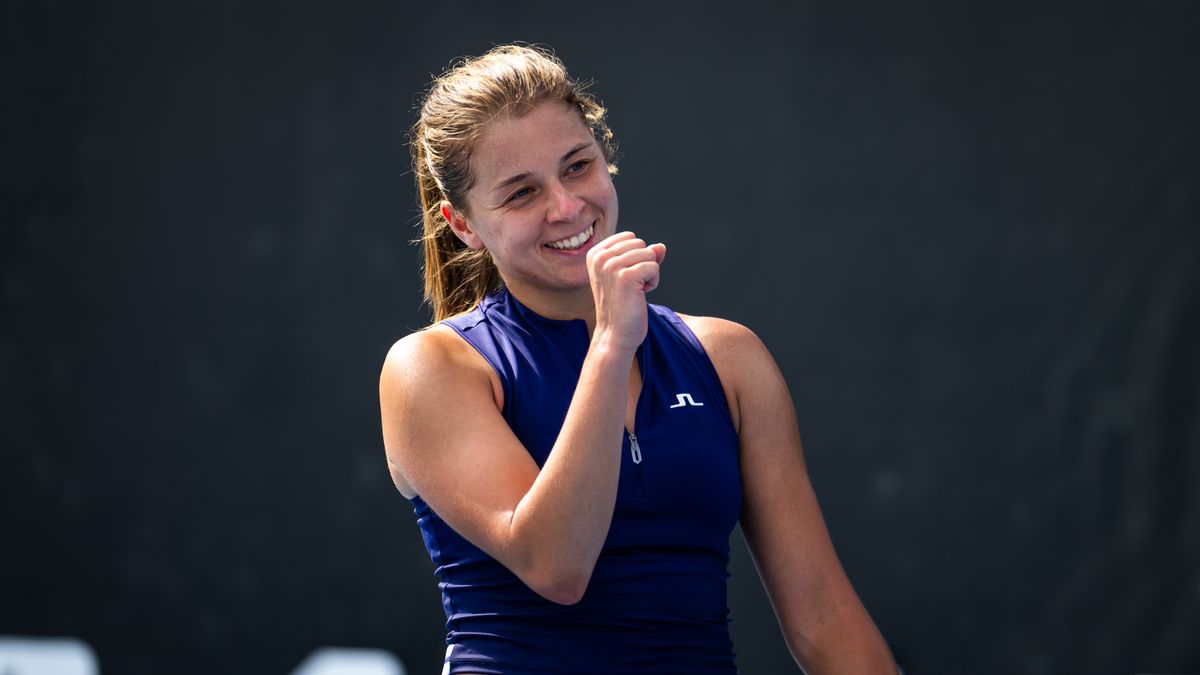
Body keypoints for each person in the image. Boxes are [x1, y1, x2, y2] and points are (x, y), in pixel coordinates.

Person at [379, 44, 898, 674]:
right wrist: (610, 344)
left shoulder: (729, 359)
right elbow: (557, 565)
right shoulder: (432, 367)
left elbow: (822, 619)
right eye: (521, 194)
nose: (566, 207)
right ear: (461, 224)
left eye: (577, 166)